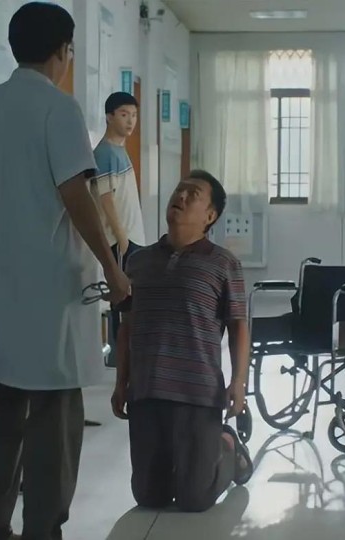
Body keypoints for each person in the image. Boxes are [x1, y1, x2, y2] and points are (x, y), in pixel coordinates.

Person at [0, 3, 130, 539]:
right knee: (54, 420)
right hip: (50, 293)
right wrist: (113, 268)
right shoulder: (59, 109)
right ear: (62, 50)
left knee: (2, 414)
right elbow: (76, 194)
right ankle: (42, 530)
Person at [110, 170, 254, 513]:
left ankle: (228, 445)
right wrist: (121, 382)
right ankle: (189, 461)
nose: (182, 196)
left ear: (210, 216)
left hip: (197, 392)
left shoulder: (223, 263)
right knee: (149, 496)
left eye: (193, 194)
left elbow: (238, 326)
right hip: (147, 389)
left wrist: (238, 382)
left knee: (194, 498)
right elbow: (128, 326)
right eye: (180, 190)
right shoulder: (139, 261)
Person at [91, 92, 145, 367]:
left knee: (131, 303)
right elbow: (106, 199)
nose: (130, 121)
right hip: (121, 241)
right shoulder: (104, 153)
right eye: (124, 115)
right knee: (124, 303)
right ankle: (120, 360)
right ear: (109, 117)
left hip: (132, 238)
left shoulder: (119, 150)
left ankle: (128, 360)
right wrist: (122, 239)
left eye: (133, 115)